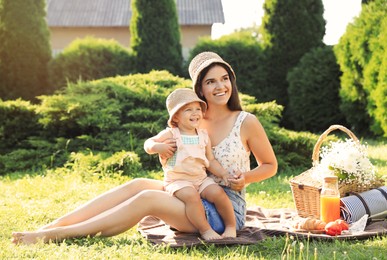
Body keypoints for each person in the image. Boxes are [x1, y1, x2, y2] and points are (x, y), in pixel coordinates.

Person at [12, 51, 277, 245]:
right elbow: (170, 154)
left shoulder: (246, 121)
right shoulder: (190, 120)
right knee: (139, 184)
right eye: (211, 81)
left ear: (232, 81)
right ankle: (52, 225)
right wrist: (164, 151)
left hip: (222, 209)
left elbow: (270, 166)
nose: (220, 86)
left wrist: (246, 178)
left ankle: (53, 236)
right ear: (200, 89)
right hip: (189, 190)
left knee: (147, 199)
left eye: (224, 79)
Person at [144, 88, 237, 240]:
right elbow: (148, 143)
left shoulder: (203, 135)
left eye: (198, 109)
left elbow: (210, 161)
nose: (195, 113)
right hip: (178, 181)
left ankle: (231, 226)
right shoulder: (172, 134)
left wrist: (223, 174)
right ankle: (205, 230)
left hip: (200, 179)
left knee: (218, 193)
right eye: (188, 110)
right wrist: (157, 147)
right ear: (176, 117)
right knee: (191, 196)